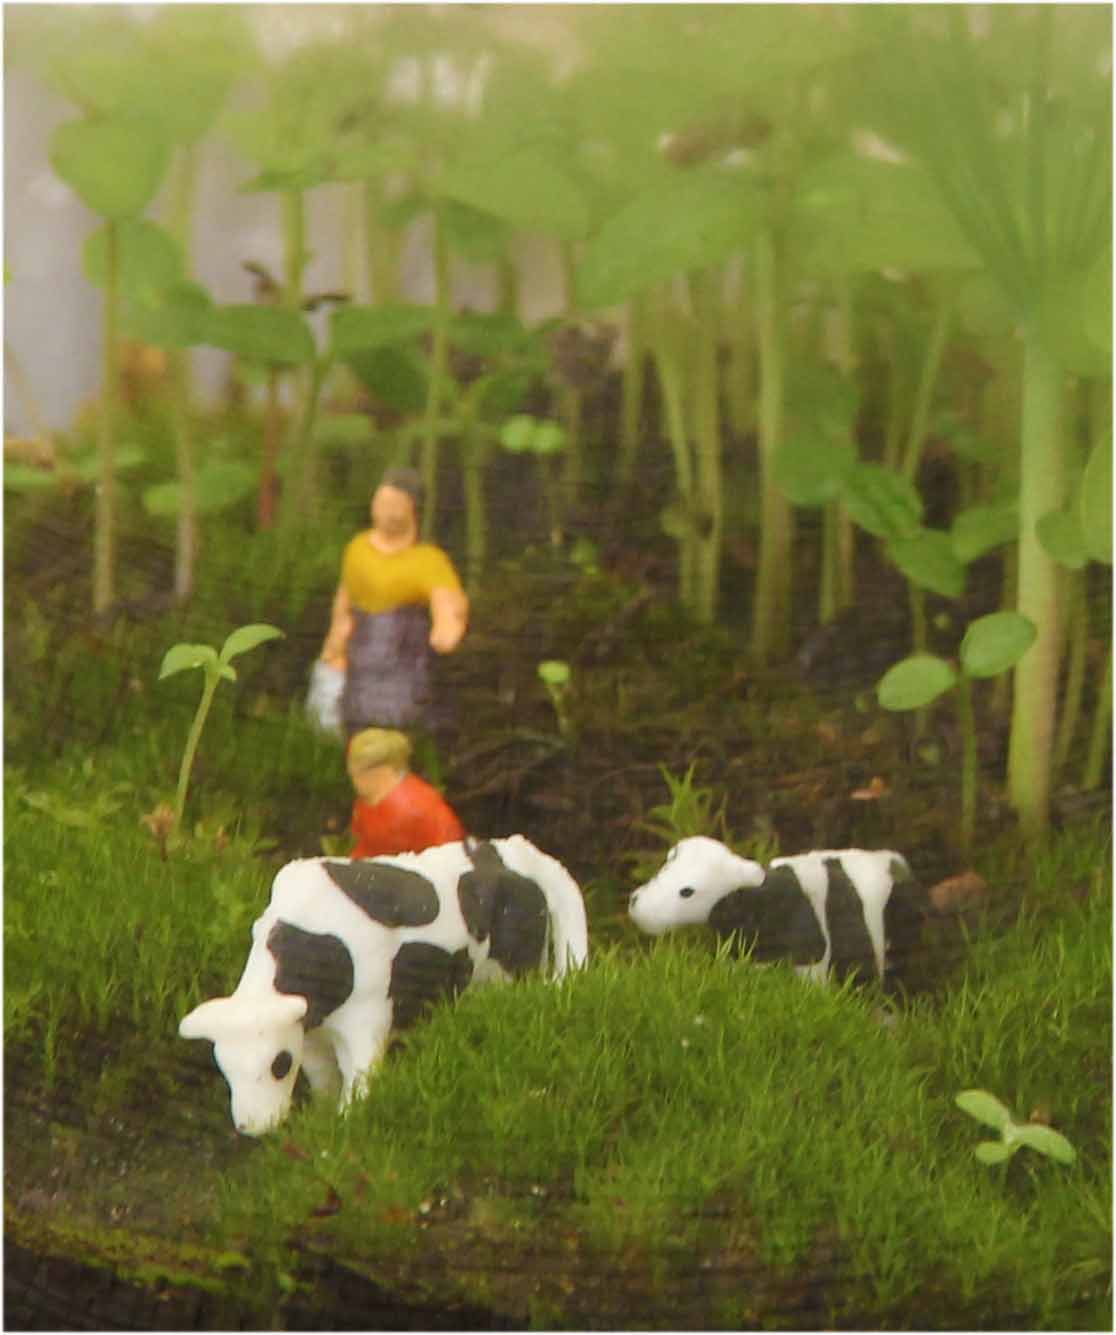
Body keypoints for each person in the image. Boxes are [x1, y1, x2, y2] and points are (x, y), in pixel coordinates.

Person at [318, 467, 469, 740]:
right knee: (353, 730)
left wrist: (448, 625)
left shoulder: (428, 560)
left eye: (394, 503)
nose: (384, 510)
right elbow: (345, 600)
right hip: (360, 666)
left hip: (404, 668)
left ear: (412, 509)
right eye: (381, 501)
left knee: (395, 732)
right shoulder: (358, 549)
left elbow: (448, 603)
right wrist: (334, 647)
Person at [347, 728, 465, 859]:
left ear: (383, 771)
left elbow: (448, 851)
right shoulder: (365, 804)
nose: (354, 781)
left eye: (358, 774)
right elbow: (364, 847)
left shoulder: (418, 805)